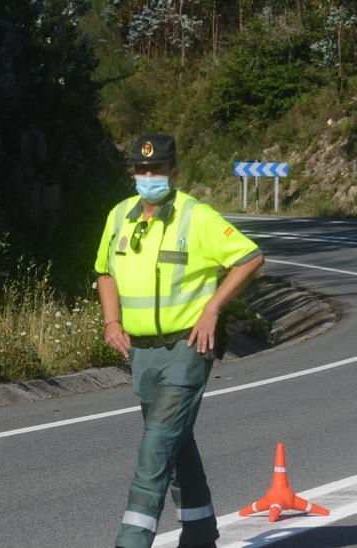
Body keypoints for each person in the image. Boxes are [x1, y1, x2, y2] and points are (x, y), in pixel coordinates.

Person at [96, 135, 264, 548]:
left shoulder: (196, 217)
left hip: (187, 349)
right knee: (175, 440)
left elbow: (249, 257)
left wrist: (213, 308)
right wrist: (111, 320)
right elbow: (104, 271)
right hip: (141, 351)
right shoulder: (120, 216)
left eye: (157, 169)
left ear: (174, 172)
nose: (149, 176)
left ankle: (131, 541)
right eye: (141, 169)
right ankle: (201, 531)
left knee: (155, 448)